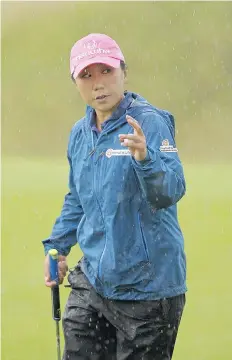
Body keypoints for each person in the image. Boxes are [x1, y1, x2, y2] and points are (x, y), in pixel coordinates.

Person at [43, 33, 187, 360]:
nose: (98, 83)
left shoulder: (149, 122)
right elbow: (78, 198)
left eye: (106, 71)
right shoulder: (80, 134)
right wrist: (57, 247)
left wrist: (145, 159)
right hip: (93, 282)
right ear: (75, 81)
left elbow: (172, 190)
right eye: (87, 75)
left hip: (149, 291)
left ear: (124, 71)